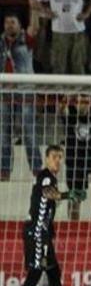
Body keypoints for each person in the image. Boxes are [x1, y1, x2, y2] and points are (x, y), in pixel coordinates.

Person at [12, 145, 89, 286]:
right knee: (36, 272)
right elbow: (49, 194)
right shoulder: (45, 176)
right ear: (46, 159)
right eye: (54, 156)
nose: (57, 160)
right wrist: (68, 194)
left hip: (42, 234)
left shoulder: (49, 178)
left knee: (53, 272)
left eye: (60, 157)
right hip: (37, 234)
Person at [1, 10, 41, 182]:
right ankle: (4, 170)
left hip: (25, 90)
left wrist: (34, 10)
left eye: (13, 22)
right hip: (4, 92)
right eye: (7, 22)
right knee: (4, 132)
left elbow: (35, 28)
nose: (10, 25)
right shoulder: (1, 42)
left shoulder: (26, 39)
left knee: (28, 130)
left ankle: (37, 169)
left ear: (19, 25)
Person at [60, 93, 91, 221]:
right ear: (76, 102)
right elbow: (61, 110)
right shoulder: (70, 112)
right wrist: (65, 101)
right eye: (82, 100)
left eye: (87, 100)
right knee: (75, 198)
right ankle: (73, 224)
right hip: (75, 156)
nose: (85, 103)